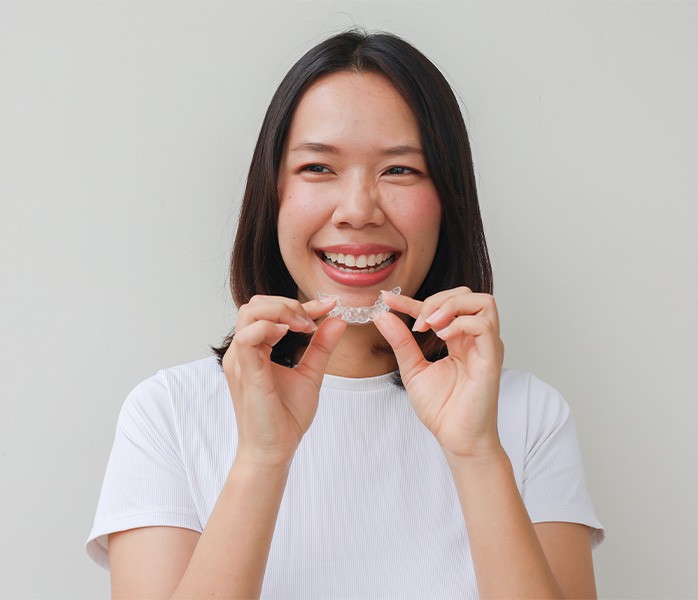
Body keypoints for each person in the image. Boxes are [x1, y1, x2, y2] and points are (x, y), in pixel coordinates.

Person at [87, 30, 604, 598]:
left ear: (448, 200)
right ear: (272, 193)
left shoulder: (528, 418)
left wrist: (477, 455)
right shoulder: (167, 415)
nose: (358, 211)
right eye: (318, 168)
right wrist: (261, 459)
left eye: (400, 170)